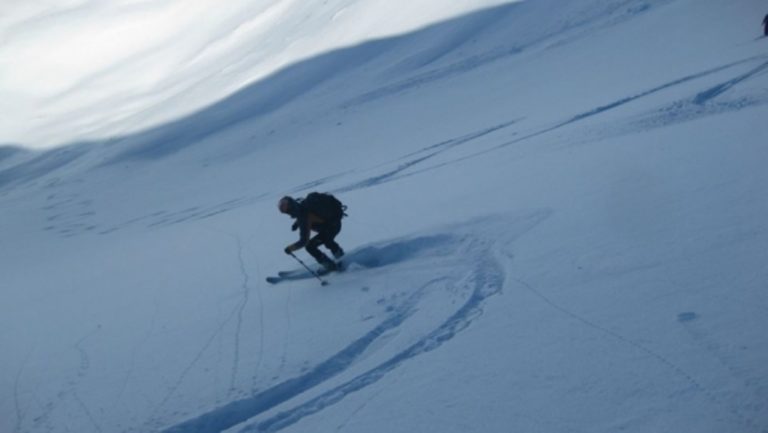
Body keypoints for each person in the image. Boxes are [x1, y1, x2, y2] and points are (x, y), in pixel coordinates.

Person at [278, 193, 345, 272]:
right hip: (334, 222)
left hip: (331, 227)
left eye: (287, 211)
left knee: (311, 246)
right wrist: (296, 223)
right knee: (327, 240)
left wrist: (290, 248)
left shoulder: (303, 217)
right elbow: (307, 215)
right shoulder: (303, 204)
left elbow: (303, 241)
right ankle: (339, 256)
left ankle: (332, 265)